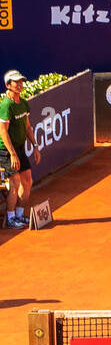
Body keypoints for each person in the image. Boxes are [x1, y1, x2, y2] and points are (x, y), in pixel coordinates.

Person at [0, 70, 40, 229]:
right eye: (16, 82)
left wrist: (35, 146)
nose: (20, 84)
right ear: (8, 85)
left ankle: (19, 215)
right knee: (15, 182)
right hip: (6, 150)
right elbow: (3, 132)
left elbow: (28, 127)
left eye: (21, 81)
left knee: (28, 181)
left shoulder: (23, 103)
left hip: (20, 148)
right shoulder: (6, 105)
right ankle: (10, 219)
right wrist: (12, 154)